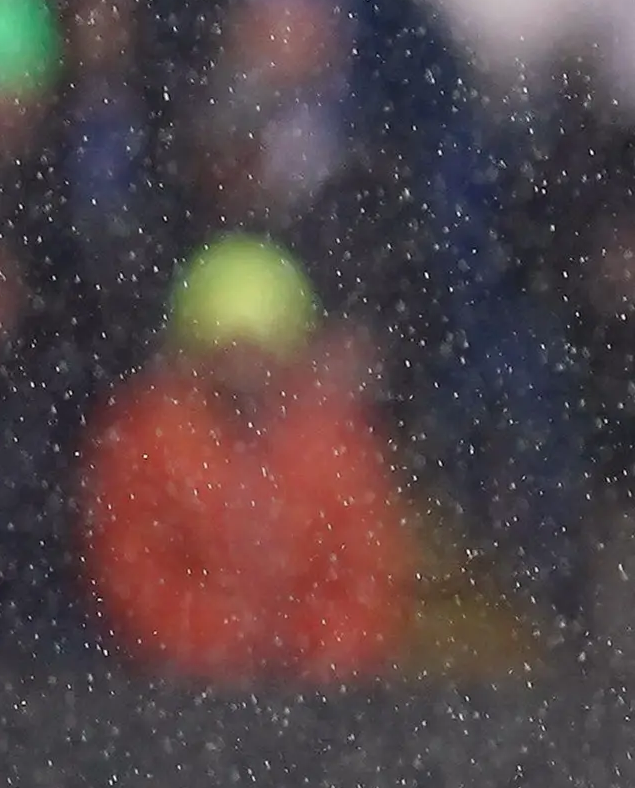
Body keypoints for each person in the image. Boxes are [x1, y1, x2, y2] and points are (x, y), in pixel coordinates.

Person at [77, 236, 413, 684]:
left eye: (260, 351)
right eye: (226, 352)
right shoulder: (149, 438)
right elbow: (132, 568)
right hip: (175, 698)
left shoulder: (334, 444)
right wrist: (215, 645)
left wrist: (319, 654)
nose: (245, 368)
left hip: (319, 705)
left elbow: (368, 573)